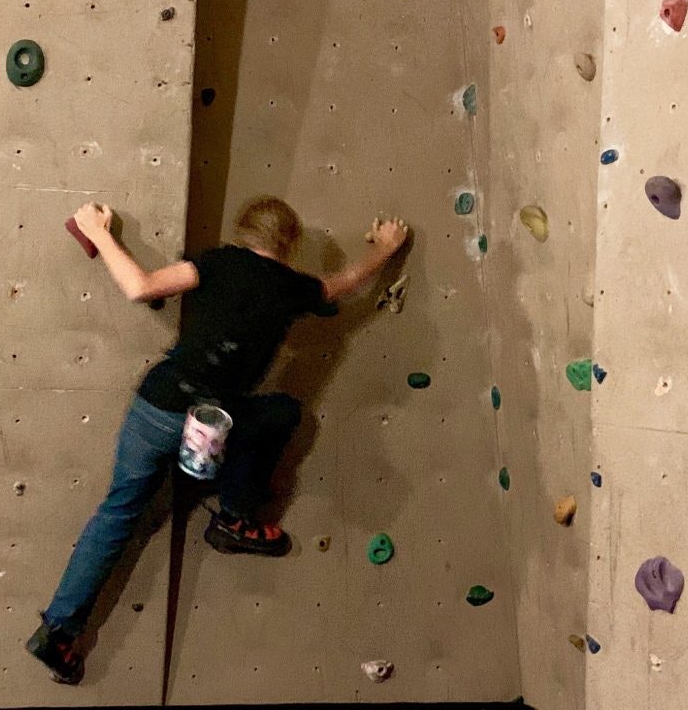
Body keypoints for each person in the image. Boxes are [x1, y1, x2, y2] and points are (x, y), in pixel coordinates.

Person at [27, 196, 409, 684]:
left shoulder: (215, 263)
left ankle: (59, 631)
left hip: (158, 404)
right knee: (282, 412)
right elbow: (346, 282)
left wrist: (99, 232)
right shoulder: (291, 286)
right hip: (212, 422)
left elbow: (140, 287)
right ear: (290, 243)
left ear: (242, 233)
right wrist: (385, 248)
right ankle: (234, 518)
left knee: (119, 511)